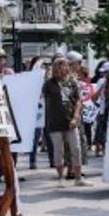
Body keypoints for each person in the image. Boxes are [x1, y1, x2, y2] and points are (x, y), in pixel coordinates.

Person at [42, 58, 88, 187]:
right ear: (57, 67)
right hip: (55, 122)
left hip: (71, 121)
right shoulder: (49, 84)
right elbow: (43, 97)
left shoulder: (72, 82)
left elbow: (78, 100)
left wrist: (76, 116)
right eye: (64, 66)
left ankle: (78, 178)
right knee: (58, 151)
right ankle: (60, 178)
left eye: (68, 65)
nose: (67, 68)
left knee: (76, 149)